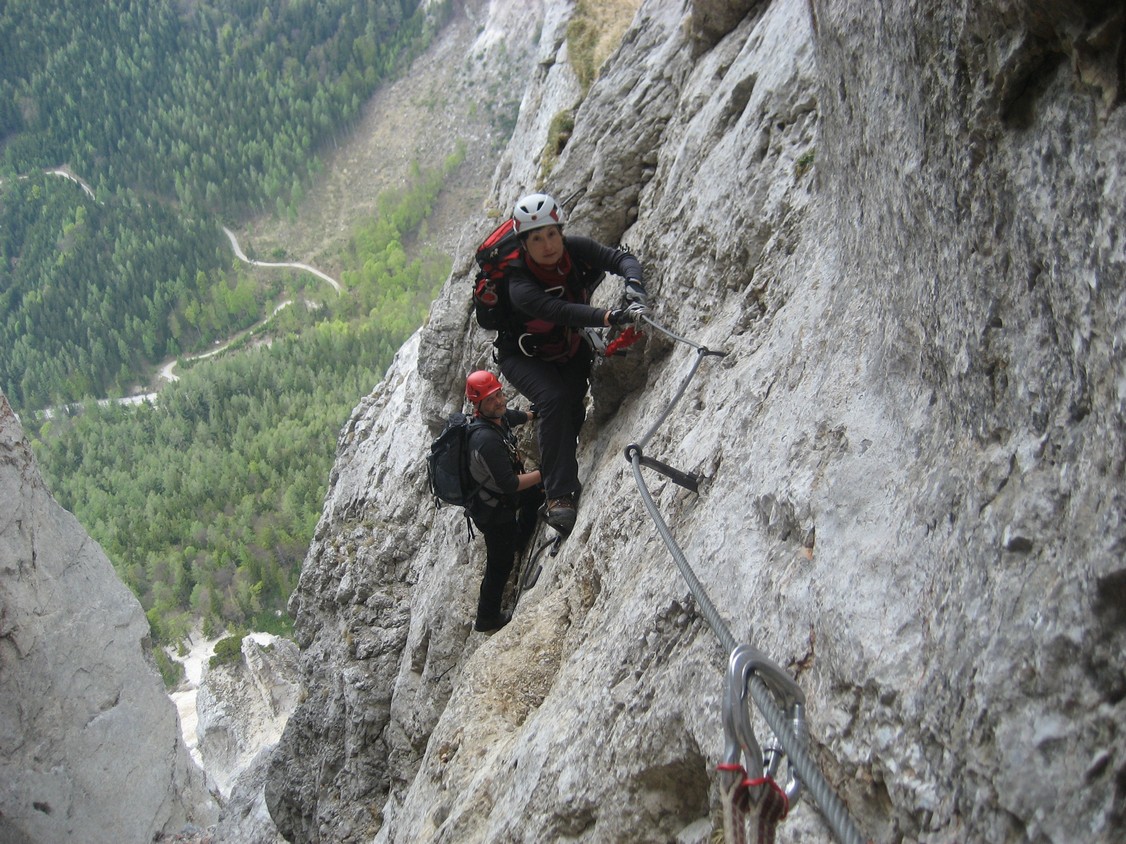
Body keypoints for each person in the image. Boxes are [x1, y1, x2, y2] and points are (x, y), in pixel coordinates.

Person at [494, 192, 647, 535]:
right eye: (537, 238)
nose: (548, 245)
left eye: (552, 234)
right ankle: (559, 497)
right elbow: (558, 311)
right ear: (524, 244)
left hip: (568, 347)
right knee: (553, 399)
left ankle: (558, 470)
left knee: (572, 409)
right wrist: (610, 316)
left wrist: (634, 284)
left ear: (561, 231)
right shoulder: (518, 283)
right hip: (522, 356)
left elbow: (619, 258)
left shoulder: (574, 249)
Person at [464, 370, 544, 633]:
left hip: (501, 499)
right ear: (477, 405)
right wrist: (545, 473)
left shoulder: (495, 418)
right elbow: (510, 484)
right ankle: (486, 617)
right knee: (500, 564)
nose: (498, 401)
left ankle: (519, 541)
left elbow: (511, 416)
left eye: (498, 394)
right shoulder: (485, 440)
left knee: (534, 494)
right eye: (490, 399)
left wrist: (532, 414)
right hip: (494, 511)